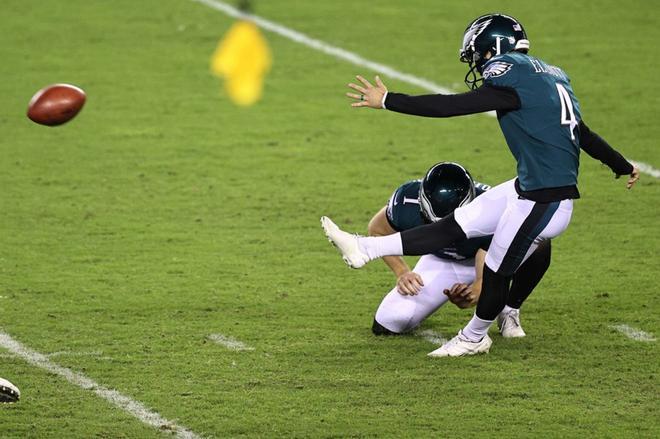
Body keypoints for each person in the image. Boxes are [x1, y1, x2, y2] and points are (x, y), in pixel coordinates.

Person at [322, 13, 639, 356]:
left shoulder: (510, 73)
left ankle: (474, 337)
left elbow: (453, 106)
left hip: (546, 200)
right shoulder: (551, 75)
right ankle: (363, 248)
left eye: (478, 53)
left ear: (493, 47)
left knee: (496, 270)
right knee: (456, 224)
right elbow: (583, 133)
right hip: (528, 187)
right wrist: (620, 165)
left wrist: (389, 100)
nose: (477, 62)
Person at [370, 162, 551, 339]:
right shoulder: (406, 201)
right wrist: (402, 271)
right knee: (389, 323)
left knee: (538, 245)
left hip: (490, 259)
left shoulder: (492, 207)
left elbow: (485, 267)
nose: (442, 231)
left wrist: (476, 291)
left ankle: (509, 309)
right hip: (441, 259)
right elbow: (377, 230)